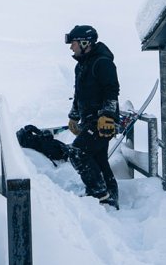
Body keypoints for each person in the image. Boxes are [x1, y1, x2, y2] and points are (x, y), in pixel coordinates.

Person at [64, 25, 120, 209]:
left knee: (77, 152)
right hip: (89, 119)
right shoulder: (81, 65)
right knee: (98, 158)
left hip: (102, 121)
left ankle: (99, 194)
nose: (71, 48)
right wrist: (73, 116)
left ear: (85, 43)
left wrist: (108, 116)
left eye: (73, 43)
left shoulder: (102, 63)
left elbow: (111, 91)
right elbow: (79, 94)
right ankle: (109, 195)